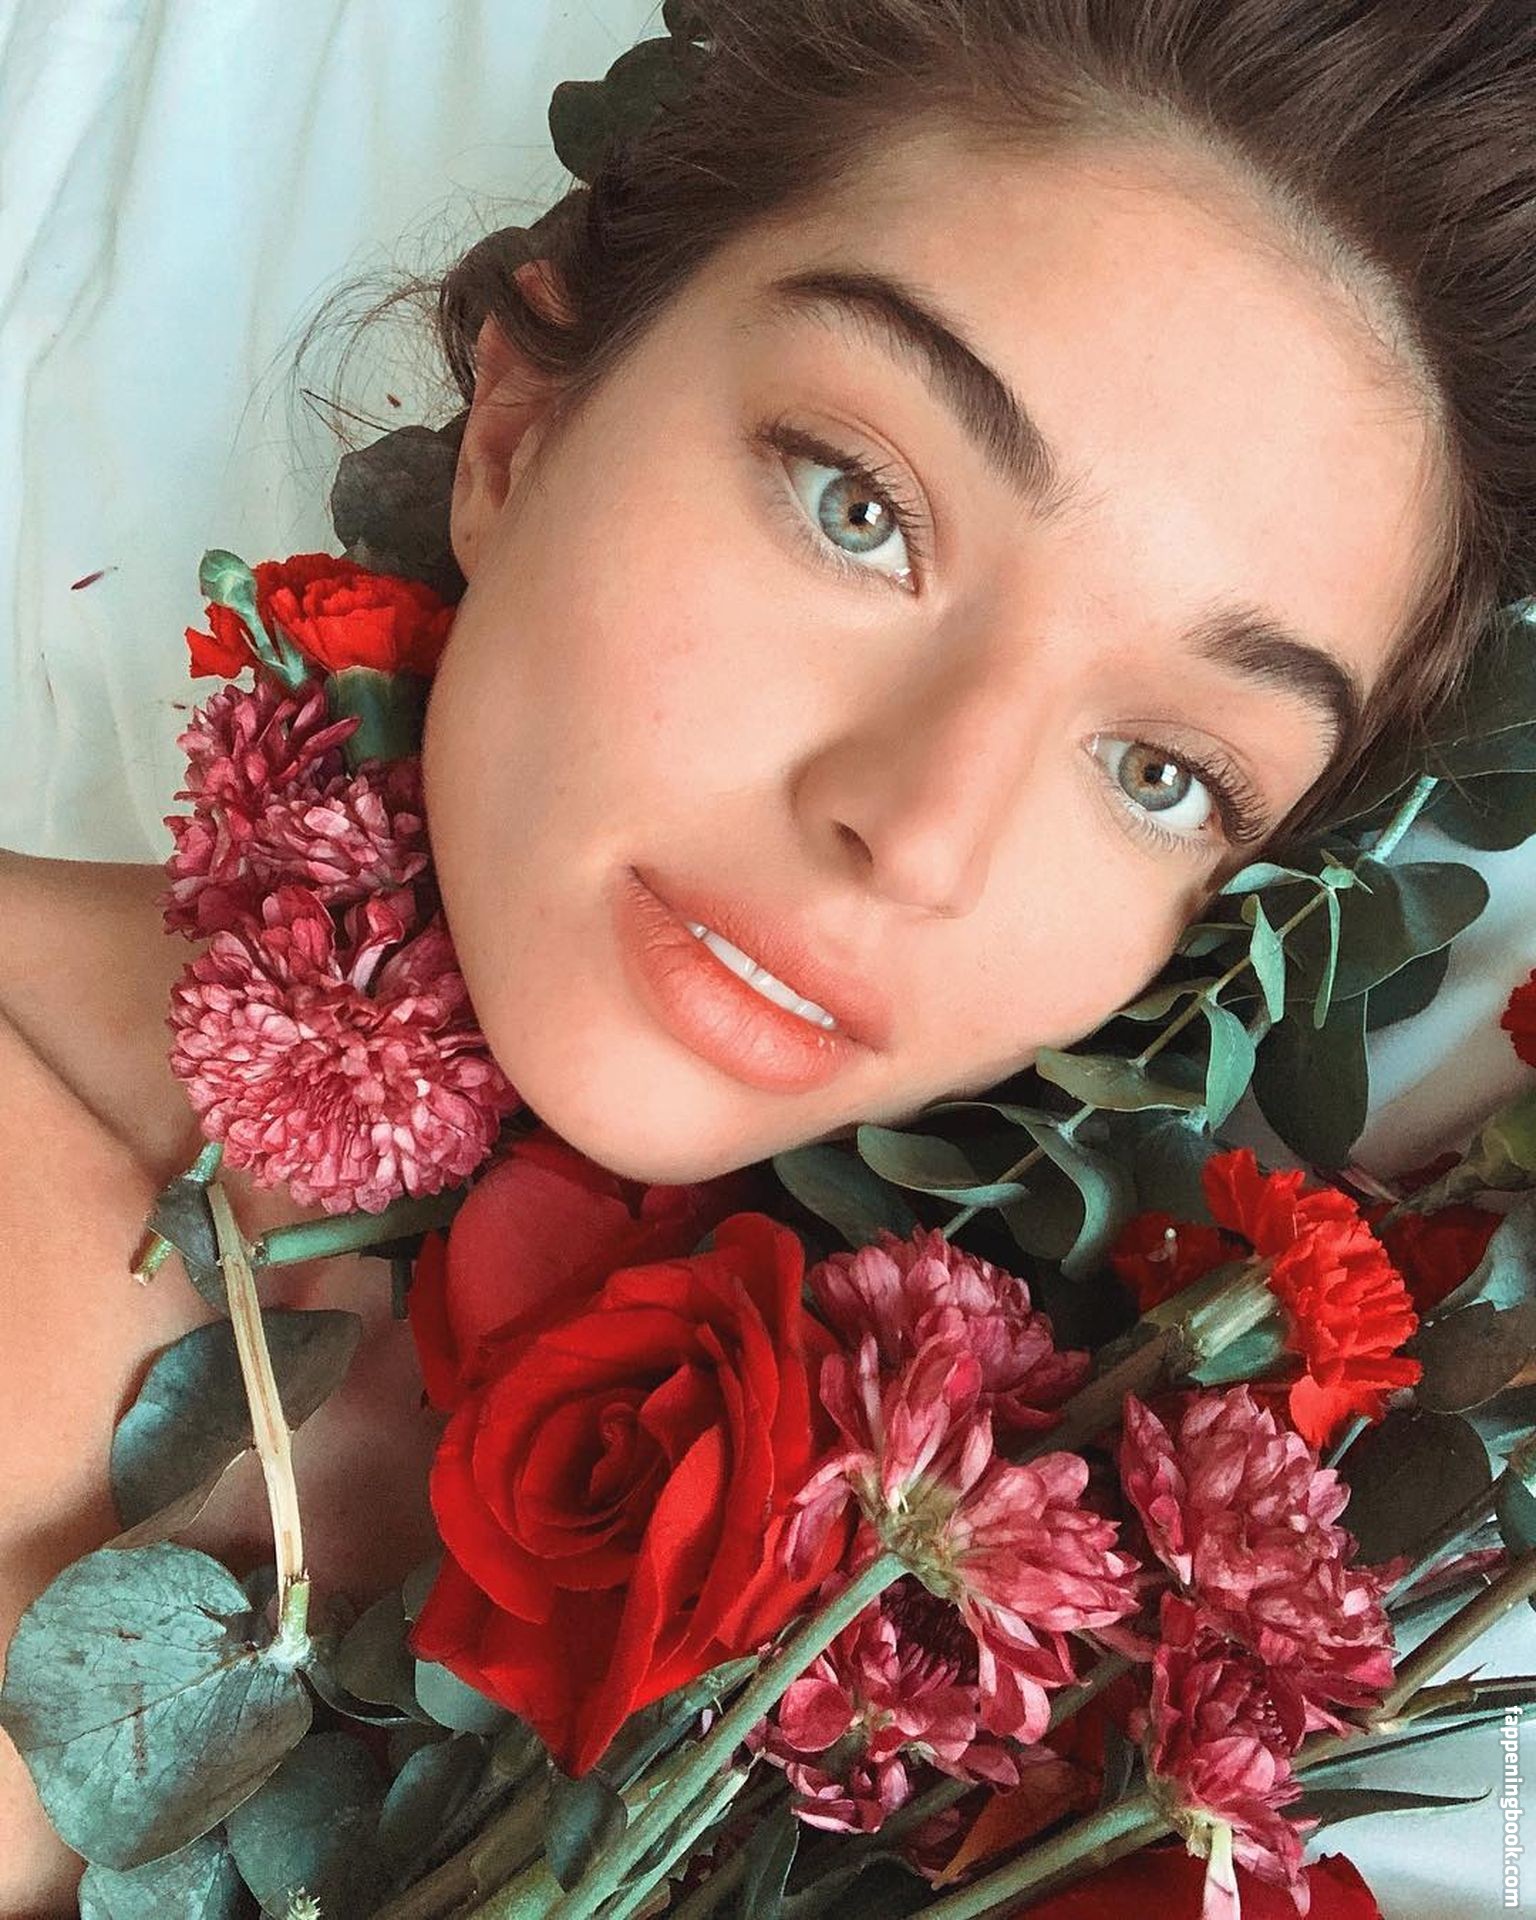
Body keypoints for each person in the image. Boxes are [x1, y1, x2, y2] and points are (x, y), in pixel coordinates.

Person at [3, 0, 1535, 1910]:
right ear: (521, 425)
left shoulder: (978, 1612)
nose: (922, 831)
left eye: (1161, 773)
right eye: (860, 509)